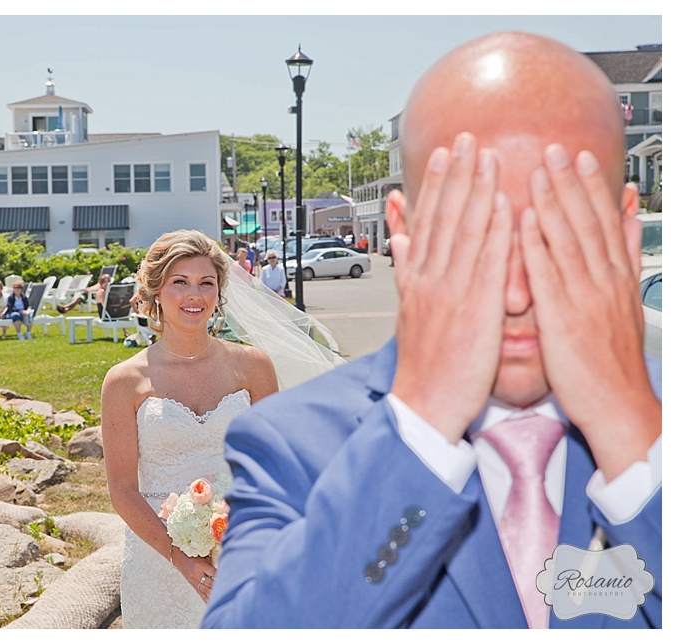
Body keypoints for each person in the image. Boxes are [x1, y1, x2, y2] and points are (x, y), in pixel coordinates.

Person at [203, 32, 661, 629]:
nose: (518, 295)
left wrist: (634, 439)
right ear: (406, 234)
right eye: (474, 238)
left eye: (558, 235)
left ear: (625, 234)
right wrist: (423, 420)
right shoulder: (292, 445)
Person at [101, 229, 279, 629]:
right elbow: (122, 490)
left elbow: (273, 468)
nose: (194, 295)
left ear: (219, 292)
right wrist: (179, 556)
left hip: (242, 550)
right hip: (157, 560)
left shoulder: (254, 367)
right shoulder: (124, 381)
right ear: (156, 292)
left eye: (206, 283)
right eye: (179, 282)